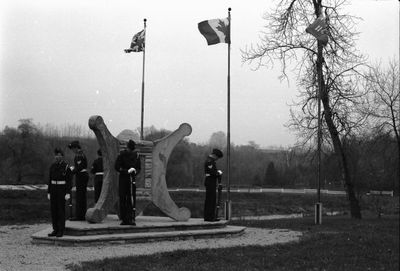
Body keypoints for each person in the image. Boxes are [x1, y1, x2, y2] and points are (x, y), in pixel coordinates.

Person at [115, 140, 141, 225]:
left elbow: (138, 168)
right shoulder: (122, 154)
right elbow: (117, 166)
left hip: (131, 179)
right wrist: (126, 171)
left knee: (131, 199)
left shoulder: (136, 155)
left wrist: (135, 171)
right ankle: (124, 218)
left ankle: (131, 218)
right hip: (123, 178)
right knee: (123, 198)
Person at [47, 148, 72, 237]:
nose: (57, 157)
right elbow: (50, 179)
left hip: (62, 190)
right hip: (53, 189)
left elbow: (69, 181)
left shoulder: (66, 167)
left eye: (59, 155)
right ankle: (55, 229)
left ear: (62, 156)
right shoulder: (52, 166)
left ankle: (61, 230)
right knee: (53, 210)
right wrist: (49, 192)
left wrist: (68, 192)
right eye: (56, 155)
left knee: (60, 210)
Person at [68, 140, 89, 221]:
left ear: (76, 148)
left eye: (73, 148)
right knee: (80, 196)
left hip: (81, 176)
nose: (72, 150)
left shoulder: (80, 155)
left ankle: (80, 216)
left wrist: (72, 171)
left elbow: (80, 167)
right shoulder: (79, 154)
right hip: (81, 176)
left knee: (80, 196)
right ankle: (81, 215)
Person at [203, 148, 223, 222]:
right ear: (215, 155)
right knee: (210, 200)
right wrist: (218, 173)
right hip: (210, 181)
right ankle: (208, 217)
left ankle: (211, 216)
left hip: (212, 181)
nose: (217, 159)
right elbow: (212, 172)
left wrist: (217, 172)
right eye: (217, 157)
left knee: (212, 199)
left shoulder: (212, 161)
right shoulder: (210, 161)